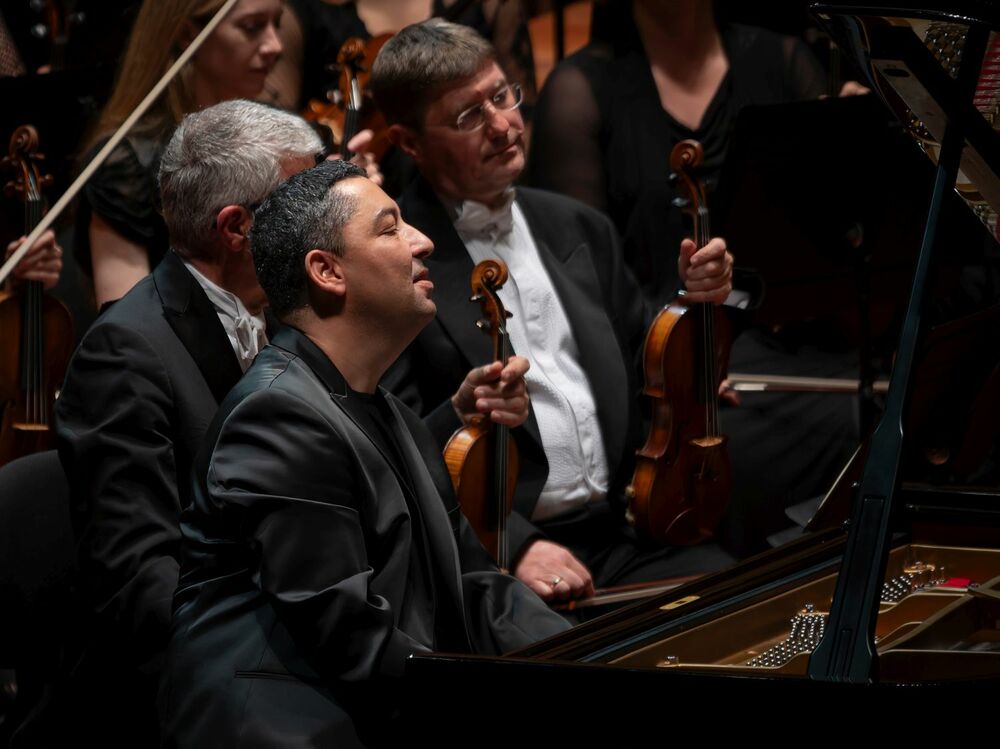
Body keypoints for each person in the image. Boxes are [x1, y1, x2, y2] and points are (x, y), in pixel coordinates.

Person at [160, 158, 568, 747]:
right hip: (292, 727)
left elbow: (474, 583)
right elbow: (349, 636)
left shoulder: (389, 409)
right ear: (327, 271)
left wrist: (593, 662)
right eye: (390, 228)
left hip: (379, 700)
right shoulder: (276, 417)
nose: (423, 241)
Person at [370, 19, 736, 604]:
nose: (502, 125)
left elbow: (653, 377)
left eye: (501, 96)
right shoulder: (395, 267)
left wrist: (696, 304)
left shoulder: (578, 225)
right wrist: (513, 545)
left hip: (625, 527)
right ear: (409, 142)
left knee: (746, 600)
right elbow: (391, 444)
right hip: (499, 548)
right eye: (468, 117)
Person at [527, 0, 865, 554]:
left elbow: (831, 241)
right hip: (667, 374)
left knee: (886, 416)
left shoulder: (783, 60)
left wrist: (854, 139)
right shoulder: (581, 89)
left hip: (789, 341)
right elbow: (582, 284)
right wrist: (681, 359)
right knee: (739, 455)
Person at [56, 100, 325, 743]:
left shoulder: (287, 309)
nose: (324, 223)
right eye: (301, 206)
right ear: (236, 227)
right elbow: (141, 578)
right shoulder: (125, 351)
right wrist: (270, 683)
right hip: (200, 691)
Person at [77, 0, 379, 307]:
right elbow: (128, 321)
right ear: (186, 34)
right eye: (252, 27)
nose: (275, 45)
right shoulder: (125, 163)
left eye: (277, 24)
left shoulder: (285, 137)